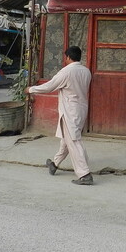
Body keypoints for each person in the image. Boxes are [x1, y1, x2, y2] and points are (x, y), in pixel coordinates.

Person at [28, 46, 93, 185]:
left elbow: (49, 86)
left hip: (70, 110)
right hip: (81, 109)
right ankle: (55, 164)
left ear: (68, 57)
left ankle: (85, 174)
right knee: (67, 139)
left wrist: (31, 89)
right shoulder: (86, 71)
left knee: (74, 141)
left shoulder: (67, 72)